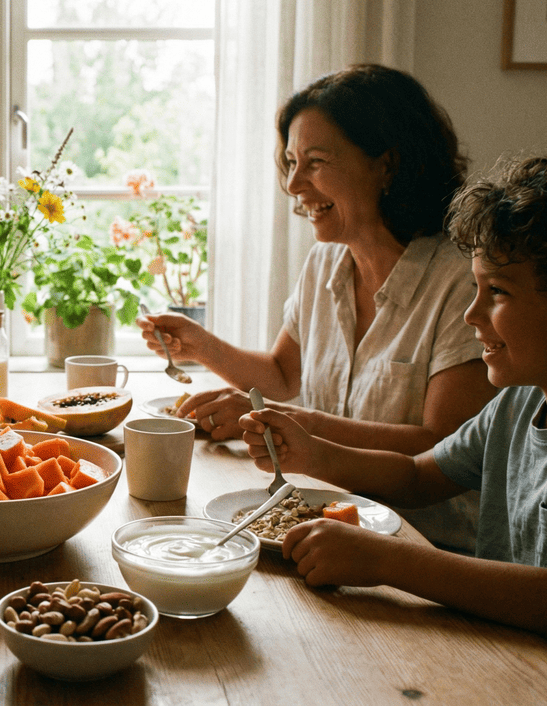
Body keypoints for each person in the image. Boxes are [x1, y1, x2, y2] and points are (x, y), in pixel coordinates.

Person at [239, 143, 547, 703]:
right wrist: (312, 453)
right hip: (504, 661)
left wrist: (390, 561)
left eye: (497, 293)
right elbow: (420, 477)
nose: (471, 315)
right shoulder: (518, 404)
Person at [138, 64, 494, 551]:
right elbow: (284, 375)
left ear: (387, 164)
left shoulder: (461, 281)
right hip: (329, 532)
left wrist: (291, 423)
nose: (293, 184)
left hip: (427, 552)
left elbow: (440, 448)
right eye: (291, 162)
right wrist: (199, 345)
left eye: (317, 161)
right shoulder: (325, 260)